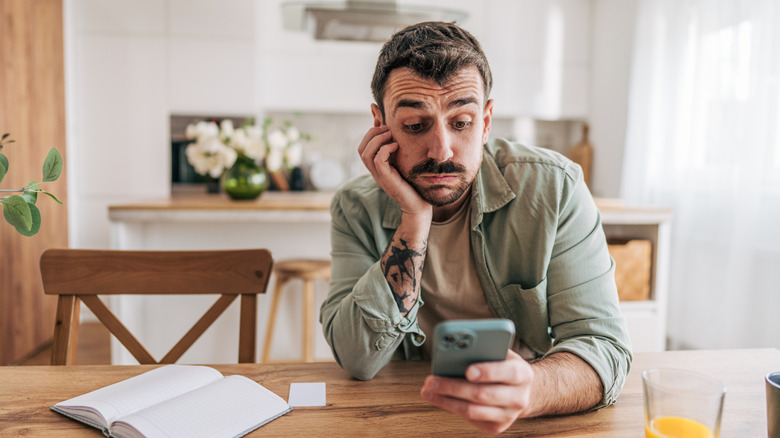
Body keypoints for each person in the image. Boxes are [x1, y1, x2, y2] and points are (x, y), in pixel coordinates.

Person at [320, 21, 632, 434]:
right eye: (415, 125)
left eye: (462, 122)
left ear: (486, 121)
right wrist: (414, 219)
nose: (442, 150)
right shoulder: (354, 206)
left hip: (526, 417)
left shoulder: (555, 187)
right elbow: (356, 358)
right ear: (380, 123)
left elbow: (605, 348)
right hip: (405, 415)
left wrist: (532, 389)